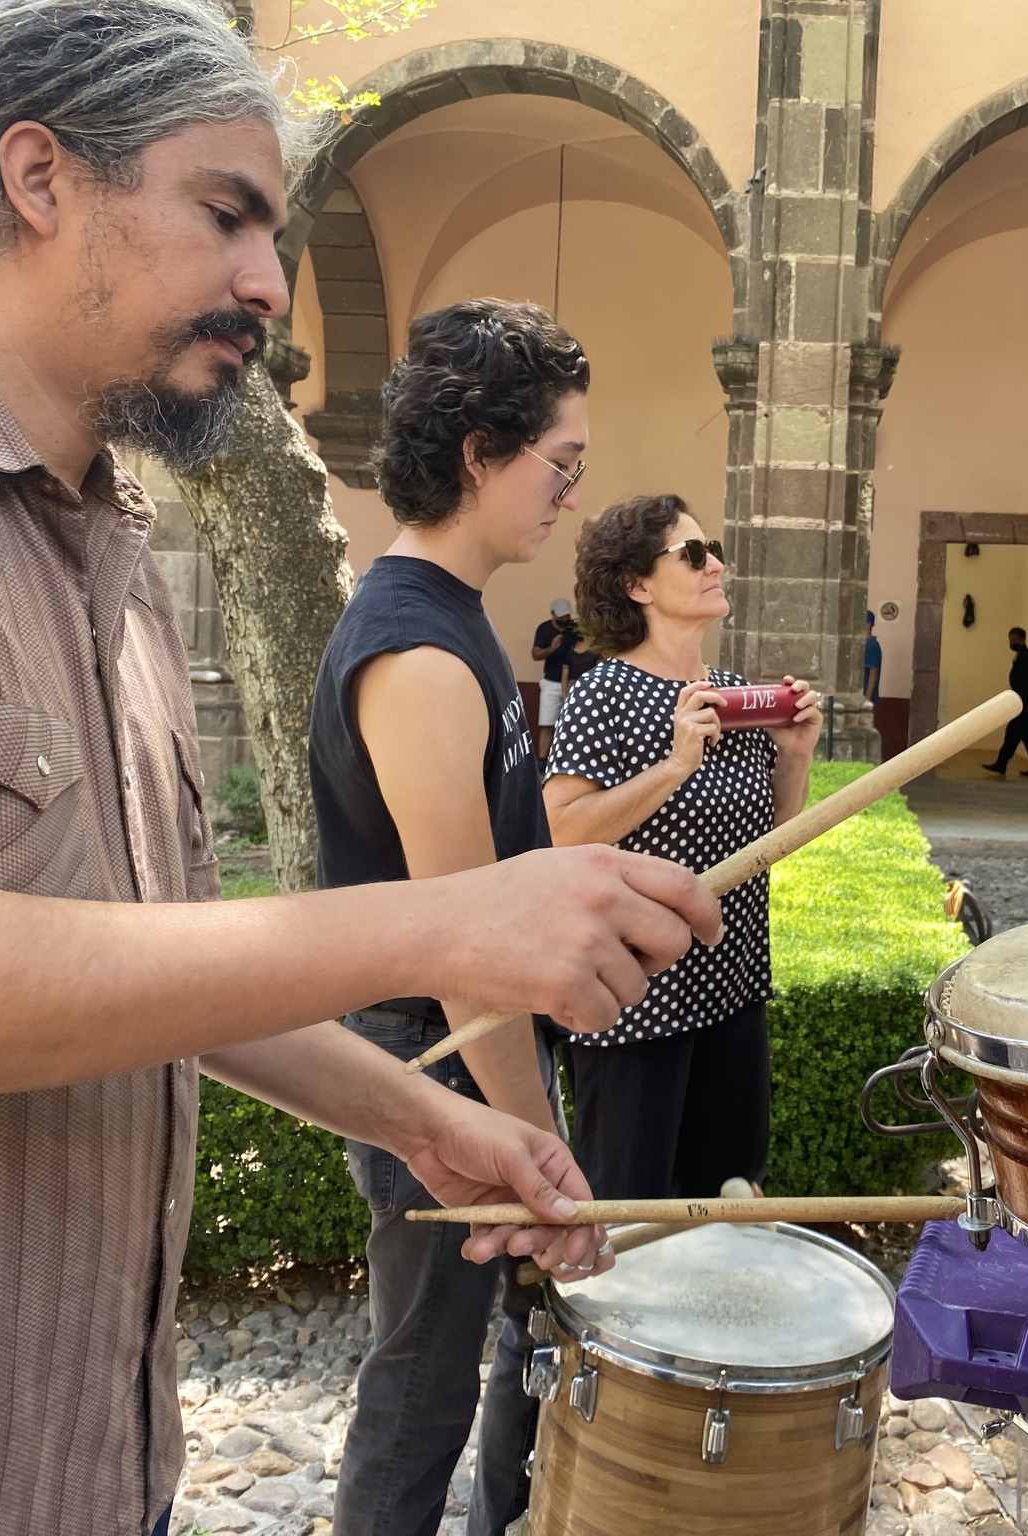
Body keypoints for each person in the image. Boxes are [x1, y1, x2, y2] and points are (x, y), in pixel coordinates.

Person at [0, 8, 722, 1536]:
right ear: (40, 178)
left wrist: (419, 1119)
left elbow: (161, 952)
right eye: (225, 214)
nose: (271, 282)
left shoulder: (111, 539)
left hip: (93, 1463)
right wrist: (449, 925)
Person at [308, 299, 612, 1536]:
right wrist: (540, 1161)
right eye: (560, 465)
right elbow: (465, 963)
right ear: (481, 453)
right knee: (423, 1381)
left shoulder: (457, 624)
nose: (570, 497)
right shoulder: (419, 658)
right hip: (423, 1060)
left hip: (464, 1052)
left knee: (510, 1352)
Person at [545, 494, 822, 1199]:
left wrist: (794, 754)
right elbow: (561, 831)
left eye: (714, 550)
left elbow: (765, 844)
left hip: (732, 990)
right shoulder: (604, 693)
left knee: (730, 1194)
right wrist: (673, 767)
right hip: (637, 1001)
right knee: (632, 1212)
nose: (715, 565)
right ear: (637, 585)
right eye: (692, 555)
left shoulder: (733, 695)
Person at [982, 626, 1028, 780]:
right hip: (1023, 704)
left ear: (1023, 639)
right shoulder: (1020, 656)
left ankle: (1001, 764)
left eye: (1015, 640)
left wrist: (1026, 695)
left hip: (1024, 705)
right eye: (1010, 640)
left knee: (1013, 735)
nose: (1012, 643)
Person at [530, 596, 584, 758]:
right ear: (553, 615)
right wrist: (552, 648)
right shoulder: (544, 629)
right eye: (561, 618)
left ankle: (568, 758)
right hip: (552, 682)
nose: (565, 620)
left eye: (567, 617)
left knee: (573, 724)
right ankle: (542, 759)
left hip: (574, 682)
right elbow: (535, 654)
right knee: (547, 723)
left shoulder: (575, 629)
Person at [863, 608, 884, 706]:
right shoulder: (865, 644)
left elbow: (873, 673)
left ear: (868, 624)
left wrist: (866, 700)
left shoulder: (870, 644)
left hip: (864, 697)